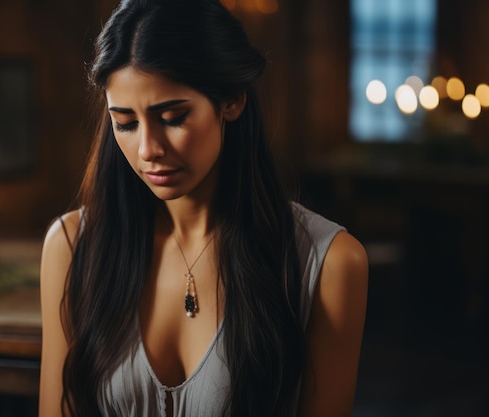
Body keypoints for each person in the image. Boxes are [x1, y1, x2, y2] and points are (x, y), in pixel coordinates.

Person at [39, 0, 368, 416]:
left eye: (173, 117)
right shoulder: (71, 247)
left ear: (231, 100)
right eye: (125, 123)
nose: (147, 150)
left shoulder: (330, 264)